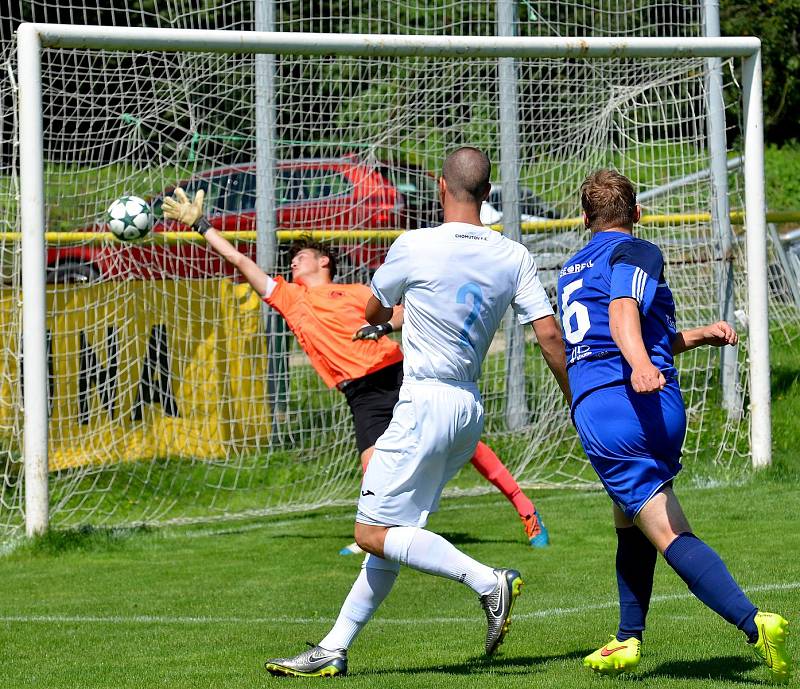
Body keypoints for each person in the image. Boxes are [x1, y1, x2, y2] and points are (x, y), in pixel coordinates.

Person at [260, 146, 570, 676]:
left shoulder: (415, 244)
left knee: (368, 532)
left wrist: (384, 317)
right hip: (468, 409)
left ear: (441, 190)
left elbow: (373, 308)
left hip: (422, 400)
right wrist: (574, 397)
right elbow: (547, 334)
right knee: (393, 533)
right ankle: (333, 648)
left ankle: (487, 581)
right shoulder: (512, 255)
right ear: (488, 195)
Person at [160, 188, 550, 555]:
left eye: (302, 254)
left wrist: (382, 326)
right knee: (373, 464)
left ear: (323, 260)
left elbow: (401, 311)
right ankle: (379, 534)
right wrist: (201, 225)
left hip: (395, 373)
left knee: (464, 446)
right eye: (291, 257)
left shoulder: (354, 292)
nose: (293, 260)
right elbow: (240, 261)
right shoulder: (290, 299)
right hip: (359, 392)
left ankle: (526, 510)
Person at [558, 169, 791, 681]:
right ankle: (627, 638)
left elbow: (618, 319)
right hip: (639, 398)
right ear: (637, 214)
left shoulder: (573, 267)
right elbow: (628, 325)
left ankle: (755, 623)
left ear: (585, 220)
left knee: (666, 529)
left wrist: (647, 362)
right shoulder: (636, 251)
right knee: (630, 516)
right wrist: (681, 345)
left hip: (616, 406)